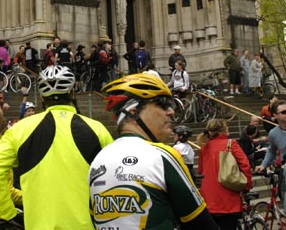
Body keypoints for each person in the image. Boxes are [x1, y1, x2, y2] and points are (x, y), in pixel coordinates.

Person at [0, 65, 113, 229]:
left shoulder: (20, 129)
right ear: (72, 93)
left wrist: (9, 213)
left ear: (41, 96)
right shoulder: (98, 129)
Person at [89, 74, 217, 229]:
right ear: (133, 111)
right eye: (162, 104)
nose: (171, 111)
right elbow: (201, 224)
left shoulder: (97, 161)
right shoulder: (162, 155)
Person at [197, 119, 252, 230]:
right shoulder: (231, 144)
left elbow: (200, 171)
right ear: (222, 131)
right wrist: (247, 185)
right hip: (228, 198)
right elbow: (245, 164)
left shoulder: (204, 147)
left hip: (209, 198)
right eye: (227, 128)